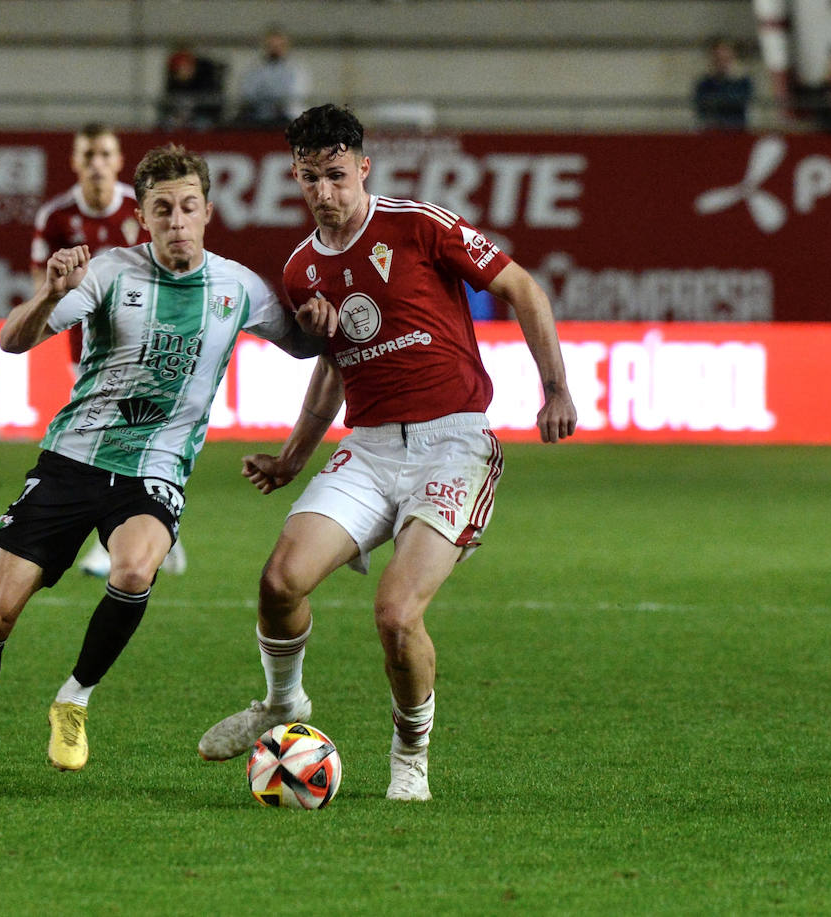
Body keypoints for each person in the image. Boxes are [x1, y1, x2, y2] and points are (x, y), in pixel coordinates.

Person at [0, 144, 330, 797]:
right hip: (72, 460)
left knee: (136, 567)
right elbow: (15, 339)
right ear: (142, 216)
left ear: (207, 212)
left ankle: (74, 698)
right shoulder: (111, 271)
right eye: (161, 209)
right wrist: (49, 292)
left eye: (188, 207)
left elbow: (305, 341)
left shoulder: (238, 287)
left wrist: (324, 318)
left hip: (156, 470)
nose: (176, 220)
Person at [197, 105, 578, 802]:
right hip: (368, 449)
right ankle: (285, 702)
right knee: (280, 583)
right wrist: (290, 457)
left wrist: (555, 388)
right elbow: (335, 369)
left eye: (336, 175)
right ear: (296, 177)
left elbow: (522, 287)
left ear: (363, 168)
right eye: (310, 177)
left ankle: (410, 757)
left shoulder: (419, 225)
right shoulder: (302, 267)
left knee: (396, 614)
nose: (324, 190)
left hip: (453, 442)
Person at [29, 124, 182, 577]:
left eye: (105, 153)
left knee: (115, 438)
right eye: (88, 154)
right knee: (122, 438)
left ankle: (110, 543)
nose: (96, 162)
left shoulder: (139, 212)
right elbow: (43, 288)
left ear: (119, 161)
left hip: (145, 341)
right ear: (75, 161)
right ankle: (163, 538)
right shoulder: (55, 216)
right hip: (87, 347)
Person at [235, 26, 310, 128]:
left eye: (279, 45)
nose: (275, 49)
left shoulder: (296, 70)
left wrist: (272, 101)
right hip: (258, 116)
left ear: (286, 46)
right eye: (271, 45)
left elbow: (296, 94)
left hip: (287, 116)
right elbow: (247, 93)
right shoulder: (254, 69)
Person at [157, 44, 226, 130]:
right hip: (179, 120)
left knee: (202, 124)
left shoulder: (204, 83)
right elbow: (167, 108)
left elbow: (212, 109)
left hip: (200, 119)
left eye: (187, 68)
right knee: (167, 124)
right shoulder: (173, 86)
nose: (185, 71)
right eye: (180, 70)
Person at [693, 37, 753, 131]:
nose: (721, 63)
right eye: (718, 59)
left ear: (732, 57)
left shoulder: (743, 82)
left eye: (725, 59)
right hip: (712, 132)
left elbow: (739, 103)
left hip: (736, 132)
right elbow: (701, 107)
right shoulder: (704, 84)